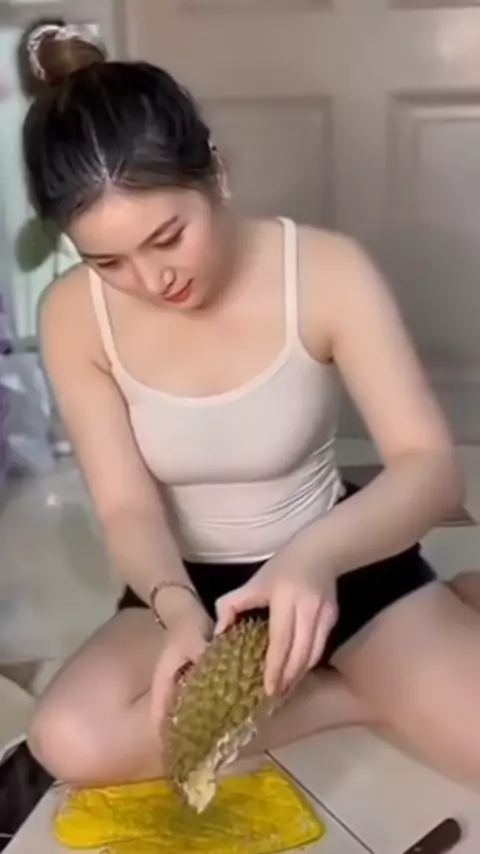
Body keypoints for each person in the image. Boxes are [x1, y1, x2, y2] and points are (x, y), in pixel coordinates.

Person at [22, 19, 480, 792]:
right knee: (71, 741)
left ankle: (410, 639)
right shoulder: (73, 315)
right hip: (191, 587)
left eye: (169, 236)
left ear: (216, 173)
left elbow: (431, 471)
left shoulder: (325, 271)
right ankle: (363, 693)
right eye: (108, 261)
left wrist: (313, 559)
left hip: (341, 558)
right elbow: (128, 508)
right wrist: (176, 610)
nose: (153, 280)